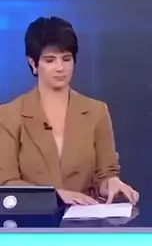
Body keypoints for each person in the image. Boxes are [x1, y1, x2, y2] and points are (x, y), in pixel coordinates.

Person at [0, 17, 139, 207]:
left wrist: (111, 183)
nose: (60, 68)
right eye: (50, 60)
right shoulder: (8, 115)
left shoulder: (96, 111)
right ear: (33, 63)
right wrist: (55, 196)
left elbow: (105, 174)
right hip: (32, 222)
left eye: (66, 59)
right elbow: (7, 183)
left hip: (86, 220)